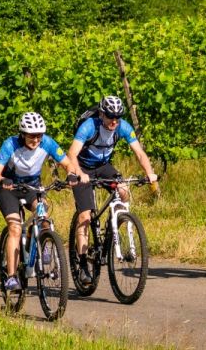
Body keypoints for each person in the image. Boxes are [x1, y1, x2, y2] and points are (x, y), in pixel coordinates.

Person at [0, 111, 81, 293]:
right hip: (9, 189)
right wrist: (3, 180)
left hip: (33, 188)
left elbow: (68, 163)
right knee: (15, 227)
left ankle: (40, 241)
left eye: (39, 135)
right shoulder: (10, 144)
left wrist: (71, 174)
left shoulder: (47, 142)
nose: (36, 139)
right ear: (23, 134)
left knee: (44, 218)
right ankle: (12, 276)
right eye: (32, 135)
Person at [66, 95, 160, 262]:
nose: (114, 121)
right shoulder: (89, 127)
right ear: (102, 114)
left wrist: (150, 173)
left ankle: (113, 225)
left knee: (123, 191)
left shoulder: (123, 127)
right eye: (110, 116)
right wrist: (80, 174)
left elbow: (139, 153)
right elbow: (71, 154)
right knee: (85, 216)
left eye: (118, 117)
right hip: (82, 167)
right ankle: (82, 262)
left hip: (103, 166)